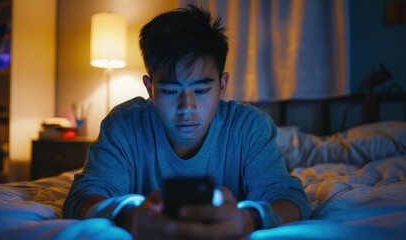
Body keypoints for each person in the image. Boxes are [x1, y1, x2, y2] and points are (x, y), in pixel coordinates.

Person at [63, 5, 311, 239]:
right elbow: (83, 197)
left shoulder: (249, 127)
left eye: (201, 91)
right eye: (171, 91)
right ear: (150, 89)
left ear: (222, 86)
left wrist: (249, 219)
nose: (186, 108)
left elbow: (289, 198)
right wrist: (127, 216)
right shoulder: (124, 125)